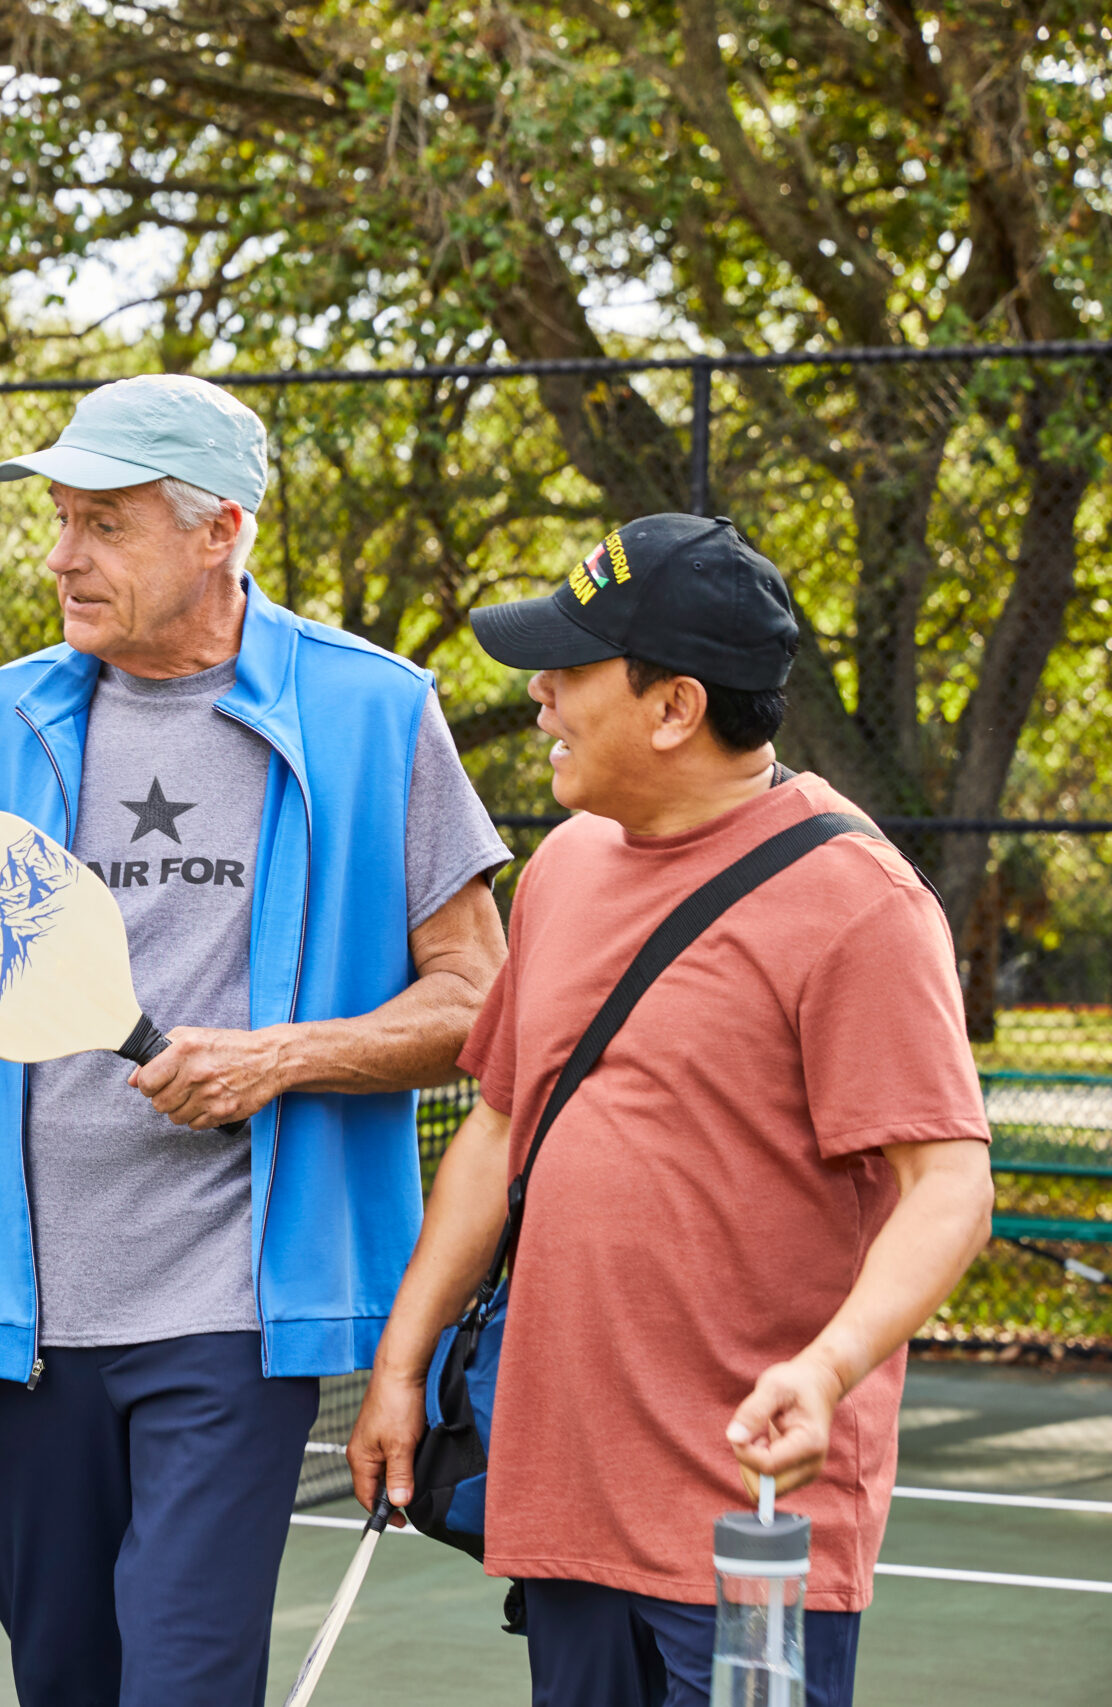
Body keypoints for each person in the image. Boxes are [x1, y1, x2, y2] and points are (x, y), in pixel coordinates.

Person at [0, 374, 511, 1705]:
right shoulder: (4, 712)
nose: (61, 554)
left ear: (222, 530)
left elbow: (477, 1005)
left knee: (186, 1679)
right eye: (61, 519)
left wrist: (278, 1056)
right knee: (66, 1679)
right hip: (21, 1317)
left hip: (228, 1313)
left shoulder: (378, 710)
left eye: (104, 522)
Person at [346, 514, 996, 1707]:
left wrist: (833, 1365)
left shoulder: (860, 905)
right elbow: (497, 1128)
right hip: (560, 1501)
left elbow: (948, 1182)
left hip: (751, 1517)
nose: (538, 695)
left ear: (673, 709)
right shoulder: (566, 866)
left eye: (569, 670)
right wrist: (401, 1365)